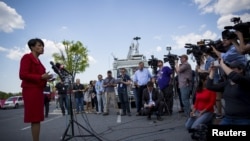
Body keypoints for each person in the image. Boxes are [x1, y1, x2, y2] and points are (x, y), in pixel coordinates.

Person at [19, 38, 53, 141]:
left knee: (37, 118)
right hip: (30, 91)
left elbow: (41, 77)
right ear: (32, 47)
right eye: (39, 45)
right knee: (34, 118)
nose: (42, 47)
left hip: (38, 90)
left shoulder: (39, 61)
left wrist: (47, 78)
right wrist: (41, 77)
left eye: (42, 46)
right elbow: (22, 75)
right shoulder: (27, 57)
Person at [206, 59, 250, 125]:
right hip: (228, 118)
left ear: (241, 70)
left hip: (243, 119)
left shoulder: (246, 80)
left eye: (232, 68)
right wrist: (212, 71)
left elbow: (235, 77)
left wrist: (222, 64)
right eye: (229, 67)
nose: (228, 69)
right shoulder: (227, 83)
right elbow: (209, 86)